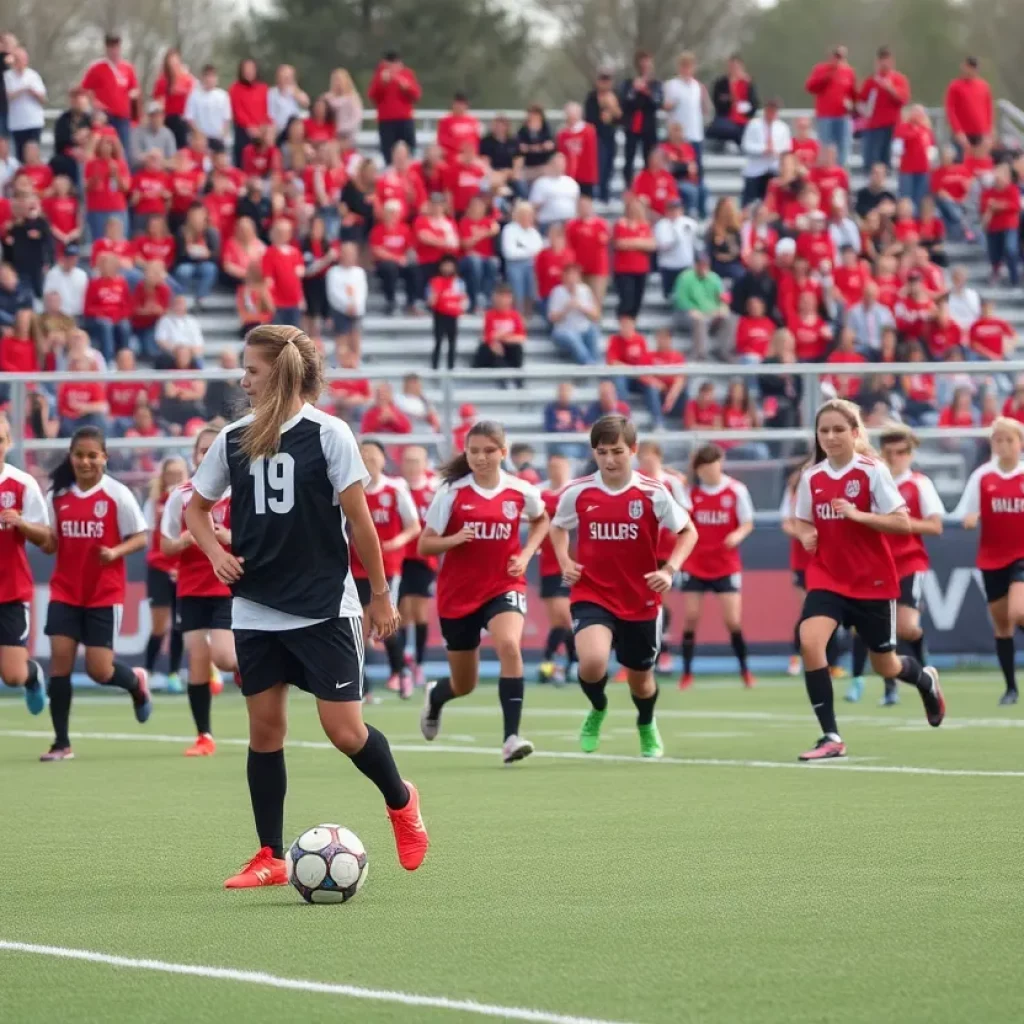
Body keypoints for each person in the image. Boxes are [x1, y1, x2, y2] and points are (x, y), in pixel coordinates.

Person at [184, 325, 429, 885]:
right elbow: (197, 510)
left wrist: (381, 593)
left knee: (344, 732)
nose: (243, 380)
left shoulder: (329, 433)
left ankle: (401, 801)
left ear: (284, 372)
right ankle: (269, 855)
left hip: (324, 606)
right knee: (264, 733)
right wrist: (214, 554)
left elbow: (361, 525)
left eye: (252, 370)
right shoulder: (234, 438)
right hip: (255, 607)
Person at [790, 399, 945, 761]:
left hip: (872, 581)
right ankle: (830, 735)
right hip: (827, 576)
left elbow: (902, 522)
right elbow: (800, 519)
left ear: (855, 433)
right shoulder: (811, 477)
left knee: (885, 665)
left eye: (838, 429)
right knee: (810, 641)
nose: (830, 436)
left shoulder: (872, 471)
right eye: (823, 430)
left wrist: (859, 516)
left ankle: (925, 680)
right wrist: (805, 534)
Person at [550, 415, 696, 758]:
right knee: (592, 661)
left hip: (640, 597)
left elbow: (688, 531)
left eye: (617, 451)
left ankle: (646, 723)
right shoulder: (578, 491)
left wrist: (670, 569)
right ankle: (597, 708)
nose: (610, 459)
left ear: (633, 450)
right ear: (594, 453)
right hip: (592, 592)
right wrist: (565, 562)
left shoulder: (653, 492)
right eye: (602, 452)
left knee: (641, 680)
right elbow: (558, 527)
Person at [417, 420, 547, 763]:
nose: (480, 457)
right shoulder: (452, 493)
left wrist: (526, 552)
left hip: (504, 585)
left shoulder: (520, 491)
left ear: (503, 452)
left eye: (489, 451)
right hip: (458, 596)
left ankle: (511, 738)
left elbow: (541, 519)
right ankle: (437, 696)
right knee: (465, 683)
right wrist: (453, 540)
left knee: (508, 645)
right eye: (474, 451)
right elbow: (425, 544)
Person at [38, 426, 152, 761]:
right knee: (59, 664)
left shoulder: (116, 494)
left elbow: (141, 536)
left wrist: (116, 552)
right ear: (70, 457)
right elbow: (51, 543)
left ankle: (135, 683)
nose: (85, 461)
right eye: (79, 455)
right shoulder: (56, 496)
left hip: (104, 593)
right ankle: (61, 743)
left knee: (99, 671)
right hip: (65, 591)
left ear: (104, 457)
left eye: (92, 455)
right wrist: (36, 536)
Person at [845, 426, 945, 707]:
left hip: (909, 562)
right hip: (875, 564)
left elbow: (935, 526)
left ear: (910, 453)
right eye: (889, 452)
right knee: (878, 629)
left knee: (907, 628)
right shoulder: (871, 482)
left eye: (901, 452)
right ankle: (890, 689)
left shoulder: (918, 483)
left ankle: (926, 669)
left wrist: (898, 522)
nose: (895, 458)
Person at [160, 428, 240, 755]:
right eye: (201, 450)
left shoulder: (241, 492)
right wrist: (183, 540)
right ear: (194, 455)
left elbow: (258, 539)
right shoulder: (181, 495)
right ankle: (204, 735)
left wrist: (226, 537)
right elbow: (165, 545)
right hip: (191, 588)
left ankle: (243, 667)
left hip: (228, 584)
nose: (206, 455)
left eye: (212, 449)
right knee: (197, 658)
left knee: (223, 657)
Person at [953, 417, 1024, 706]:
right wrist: (970, 518)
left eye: (1010, 440)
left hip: (1021, 555)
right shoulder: (983, 476)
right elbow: (963, 512)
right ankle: (1010, 688)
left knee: (1019, 612)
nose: (1004, 446)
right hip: (992, 558)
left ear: (1020, 443)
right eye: (998, 440)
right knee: (1002, 624)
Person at [676, 444, 756, 691]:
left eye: (713, 465)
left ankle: (745, 671)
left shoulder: (736, 490)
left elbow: (747, 522)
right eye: (704, 467)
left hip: (726, 564)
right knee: (690, 618)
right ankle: (687, 673)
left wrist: (737, 536)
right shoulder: (690, 492)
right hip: (696, 563)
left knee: (732, 620)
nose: (709, 471)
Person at [351, 440, 420, 701]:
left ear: (383, 458)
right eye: (363, 453)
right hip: (355, 567)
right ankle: (362, 686)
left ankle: (401, 673)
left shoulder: (394, 489)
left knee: (385, 621)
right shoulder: (351, 489)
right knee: (358, 625)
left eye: (373, 453)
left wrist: (395, 543)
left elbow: (413, 526)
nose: (367, 457)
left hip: (387, 566)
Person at [0, 415, 49, 717]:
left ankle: (32, 676)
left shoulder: (21, 483)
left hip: (11, 590)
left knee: (12, 676)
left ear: (8, 442)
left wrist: (21, 523)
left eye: (0, 440)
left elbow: (46, 536)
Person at [143, 457, 188, 693]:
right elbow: (152, 540)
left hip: (184, 570)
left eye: (179, 474)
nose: (174, 478)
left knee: (180, 625)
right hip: (160, 569)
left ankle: (173, 673)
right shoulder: (154, 504)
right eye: (170, 473)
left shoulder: (193, 500)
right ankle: (148, 672)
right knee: (159, 626)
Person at [396, 446, 437, 688]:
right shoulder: (397, 489)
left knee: (420, 613)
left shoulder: (433, 491)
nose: (412, 466)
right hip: (399, 559)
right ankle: (402, 667)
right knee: (400, 615)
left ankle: (419, 664)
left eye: (416, 461)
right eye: (407, 461)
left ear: (424, 464)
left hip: (423, 559)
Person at [537, 453, 575, 684]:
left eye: (560, 467)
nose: (556, 471)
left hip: (572, 564)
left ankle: (550, 662)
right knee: (558, 621)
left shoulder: (575, 492)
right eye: (552, 467)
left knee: (566, 617)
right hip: (549, 565)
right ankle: (565, 664)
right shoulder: (540, 494)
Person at [427, 254, 467, 371]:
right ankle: (434, 366)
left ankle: (451, 367)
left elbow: (463, 298)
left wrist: (461, 309)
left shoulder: (458, 282)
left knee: (452, 342)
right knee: (438, 341)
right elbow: (430, 301)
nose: (447, 268)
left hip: (453, 315)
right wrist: (435, 295)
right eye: (445, 265)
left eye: (450, 266)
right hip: (439, 314)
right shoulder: (435, 281)